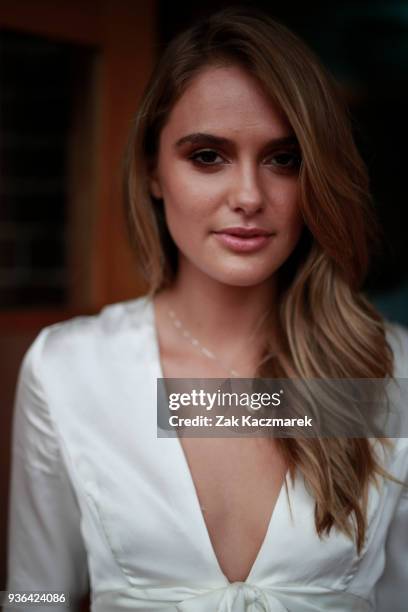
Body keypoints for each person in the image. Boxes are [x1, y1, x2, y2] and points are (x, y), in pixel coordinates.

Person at [5, 7, 408, 612]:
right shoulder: (70, 369)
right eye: (207, 156)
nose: (248, 196)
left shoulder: (388, 369)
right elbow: (35, 595)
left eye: (283, 158)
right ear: (153, 171)